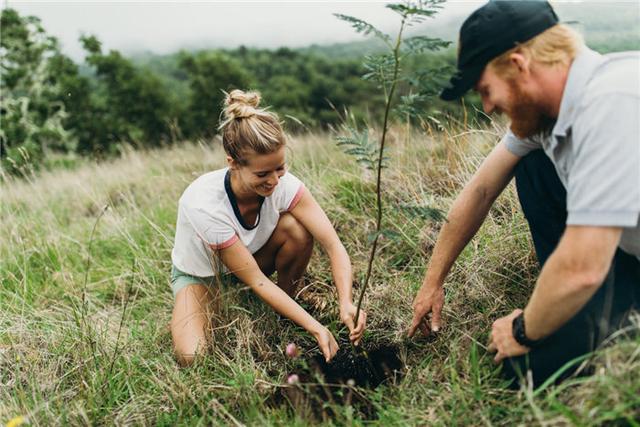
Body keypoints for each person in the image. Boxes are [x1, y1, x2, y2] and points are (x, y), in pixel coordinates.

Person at [408, 0, 639, 387]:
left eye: (486, 90)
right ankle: (577, 311)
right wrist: (433, 281)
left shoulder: (613, 102)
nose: (487, 106)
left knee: (525, 370)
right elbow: (481, 189)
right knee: (529, 163)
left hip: (598, 263)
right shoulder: (551, 113)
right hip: (622, 254)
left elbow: (582, 268)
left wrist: (523, 329)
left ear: (518, 65)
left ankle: (593, 321)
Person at [170, 89, 367, 366]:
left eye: (280, 168)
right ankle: (201, 308)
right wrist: (316, 327)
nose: (274, 181)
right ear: (233, 164)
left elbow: (334, 246)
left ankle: (288, 301)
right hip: (204, 277)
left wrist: (346, 301)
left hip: (252, 262)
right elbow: (257, 280)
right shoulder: (204, 203)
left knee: (296, 229)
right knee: (193, 356)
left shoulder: (285, 185)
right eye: (262, 174)